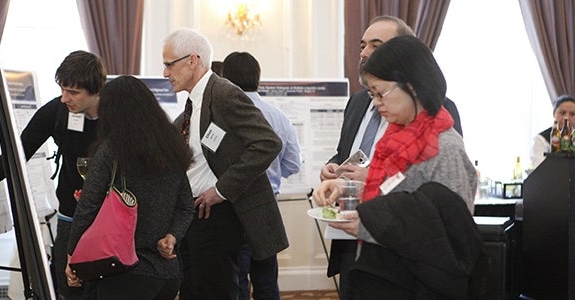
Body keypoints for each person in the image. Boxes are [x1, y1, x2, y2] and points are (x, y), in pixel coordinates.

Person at [314, 35, 478, 298]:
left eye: (381, 93)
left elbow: (451, 235)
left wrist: (366, 224)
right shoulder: (397, 136)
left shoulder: (445, 147)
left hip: (419, 284)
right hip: (384, 274)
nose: (376, 103)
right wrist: (349, 188)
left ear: (413, 86)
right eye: (372, 94)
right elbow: (395, 195)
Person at [0, 50, 106, 300]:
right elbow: (19, 148)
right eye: (62, 89)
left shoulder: (119, 114)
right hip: (70, 215)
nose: (65, 98)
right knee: (69, 287)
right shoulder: (57, 110)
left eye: (74, 92)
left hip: (109, 217)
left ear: (96, 90)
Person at [161, 28, 287, 300]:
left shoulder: (223, 93)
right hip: (192, 216)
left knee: (218, 291)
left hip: (217, 217)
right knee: (193, 290)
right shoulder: (193, 104)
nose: (165, 73)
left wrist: (221, 189)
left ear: (192, 60)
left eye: (169, 64)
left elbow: (268, 143)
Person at [64, 75, 194, 299]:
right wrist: (172, 236)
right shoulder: (171, 147)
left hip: (122, 272)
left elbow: (87, 208)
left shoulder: (112, 150)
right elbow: (185, 206)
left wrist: (71, 256)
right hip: (166, 275)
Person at [221, 51, 302, 300]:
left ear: (225, 79)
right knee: (267, 282)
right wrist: (272, 176)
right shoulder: (279, 116)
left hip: (233, 210)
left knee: (237, 283)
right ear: (258, 78)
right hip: (268, 210)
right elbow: (293, 163)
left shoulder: (222, 115)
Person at [530, 94, 575, 168]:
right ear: (554, 114)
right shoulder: (541, 139)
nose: (567, 117)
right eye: (563, 113)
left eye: (572, 114)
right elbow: (539, 167)